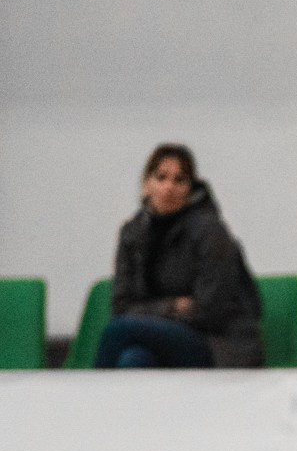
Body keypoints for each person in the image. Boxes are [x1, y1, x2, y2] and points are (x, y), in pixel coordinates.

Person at [98, 144, 263, 368]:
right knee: (134, 360)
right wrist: (172, 307)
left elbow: (211, 310)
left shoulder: (210, 231)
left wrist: (151, 316)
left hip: (215, 343)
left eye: (179, 180)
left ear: (190, 189)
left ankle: (88, 402)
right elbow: (121, 306)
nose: (169, 188)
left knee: (120, 330)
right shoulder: (132, 233)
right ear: (146, 185)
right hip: (160, 336)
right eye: (161, 177)